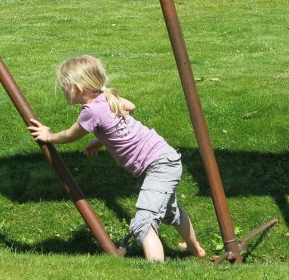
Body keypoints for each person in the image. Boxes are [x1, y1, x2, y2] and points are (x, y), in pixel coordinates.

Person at [28, 55, 206, 262]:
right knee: (170, 212)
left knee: (143, 224)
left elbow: (70, 135)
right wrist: (102, 139)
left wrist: (48, 135)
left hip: (159, 165)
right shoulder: (106, 96)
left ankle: (156, 272)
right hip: (163, 158)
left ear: (78, 88)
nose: (62, 90)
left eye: (64, 86)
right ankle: (196, 250)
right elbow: (131, 106)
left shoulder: (91, 111)